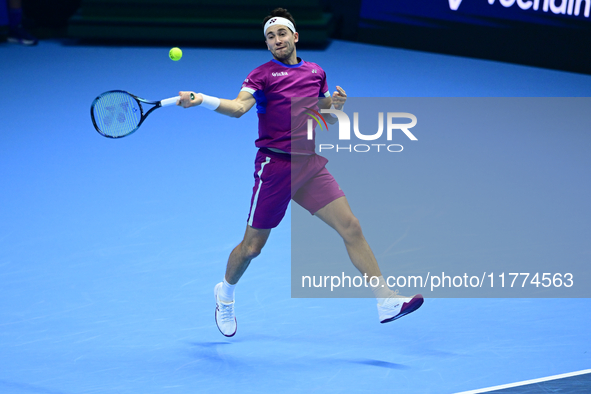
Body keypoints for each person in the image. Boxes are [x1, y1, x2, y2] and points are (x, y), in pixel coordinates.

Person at [178, 8, 423, 337]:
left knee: (351, 226)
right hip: (274, 167)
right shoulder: (261, 76)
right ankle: (225, 294)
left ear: (295, 36)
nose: (276, 40)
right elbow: (238, 109)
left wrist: (334, 105)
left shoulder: (315, 72)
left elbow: (323, 116)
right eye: (270, 36)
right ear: (267, 44)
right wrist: (202, 99)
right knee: (252, 249)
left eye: (281, 33)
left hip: (308, 165)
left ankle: (386, 300)